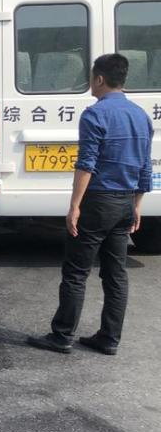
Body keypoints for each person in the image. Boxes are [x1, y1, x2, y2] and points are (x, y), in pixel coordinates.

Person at [28, 54, 153, 356]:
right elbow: (145, 167)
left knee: (75, 272)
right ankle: (109, 338)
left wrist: (75, 206)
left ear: (99, 79)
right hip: (125, 201)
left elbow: (86, 165)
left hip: (98, 201)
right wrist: (136, 205)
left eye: (92, 77)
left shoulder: (95, 115)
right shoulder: (141, 116)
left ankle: (62, 336)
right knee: (116, 274)